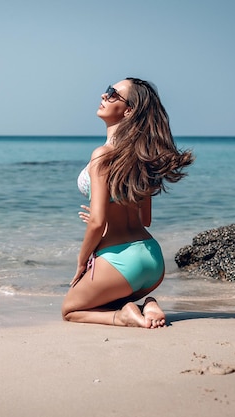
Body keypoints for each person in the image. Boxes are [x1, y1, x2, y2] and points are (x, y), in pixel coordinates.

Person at [61, 77, 194, 328]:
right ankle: (148, 303)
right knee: (102, 300)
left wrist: (81, 262)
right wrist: (107, 215)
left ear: (129, 110)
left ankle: (122, 317)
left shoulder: (102, 154)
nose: (104, 95)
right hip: (153, 261)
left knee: (70, 310)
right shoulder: (143, 156)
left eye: (112, 93)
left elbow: (98, 223)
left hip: (119, 261)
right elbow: (145, 219)